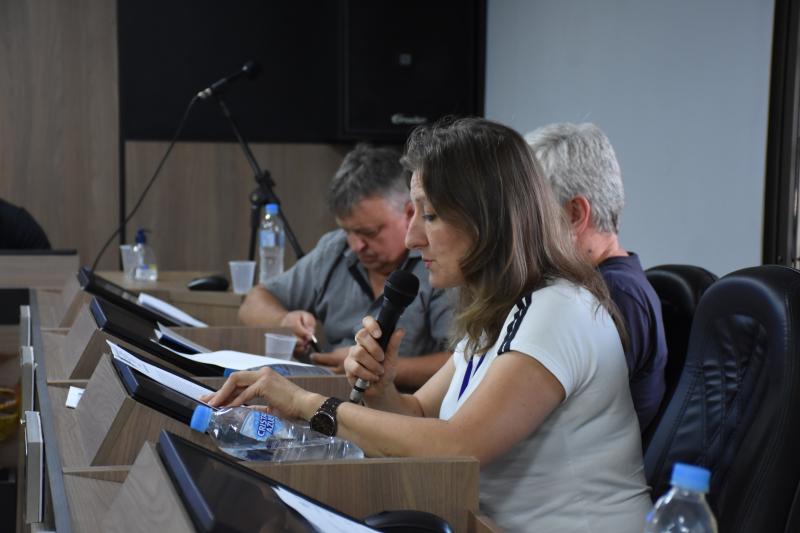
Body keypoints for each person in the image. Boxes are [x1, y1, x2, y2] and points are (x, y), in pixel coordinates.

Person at [205, 117, 651, 532]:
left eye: (430, 215)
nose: (413, 237)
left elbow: (459, 447)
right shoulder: (500, 310)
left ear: (487, 219)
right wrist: (382, 388)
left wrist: (304, 403)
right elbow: (418, 413)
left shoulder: (558, 309)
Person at [238, 144, 452, 390]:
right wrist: (284, 320)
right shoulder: (335, 249)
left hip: (404, 404)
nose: (357, 245)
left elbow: (462, 364)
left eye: (369, 232)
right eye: (348, 231)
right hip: (325, 395)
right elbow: (253, 303)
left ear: (410, 212)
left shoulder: (438, 263)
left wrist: (372, 368)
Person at [525, 122, 667, 433]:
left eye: (531, 213)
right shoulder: (601, 287)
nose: (519, 228)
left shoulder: (613, 294)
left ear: (575, 214)